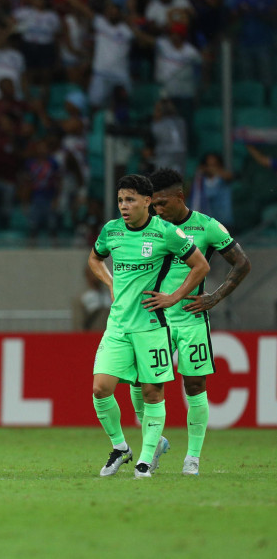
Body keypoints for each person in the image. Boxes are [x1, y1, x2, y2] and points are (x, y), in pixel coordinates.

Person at [87, 174, 209, 478]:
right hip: (117, 327)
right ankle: (121, 447)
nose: (124, 206)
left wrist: (175, 297)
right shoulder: (111, 231)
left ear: (146, 201)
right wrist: (110, 281)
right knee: (100, 389)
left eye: (130, 200)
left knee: (153, 392)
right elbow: (94, 259)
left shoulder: (166, 232)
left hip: (152, 327)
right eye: (120, 201)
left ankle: (145, 459)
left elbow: (201, 266)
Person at [139, 168, 251, 475]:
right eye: (153, 205)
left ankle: (192, 458)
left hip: (190, 320)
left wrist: (214, 297)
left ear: (179, 196)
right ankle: (155, 442)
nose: (157, 210)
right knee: (143, 386)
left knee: (195, 385)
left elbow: (242, 263)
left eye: (162, 203)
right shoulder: (149, 227)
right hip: (153, 320)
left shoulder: (206, 227)